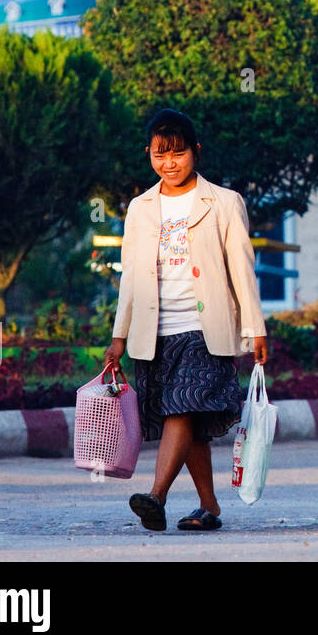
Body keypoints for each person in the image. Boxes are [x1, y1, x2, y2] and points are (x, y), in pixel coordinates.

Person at [104, 109, 268, 532]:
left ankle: (155, 496)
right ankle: (208, 507)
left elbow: (242, 270)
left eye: (178, 153)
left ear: (196, 151)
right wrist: (118, 337)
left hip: (205, 329)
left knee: (182, 407)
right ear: (149, 155)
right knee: (188, 417)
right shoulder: (140, 209)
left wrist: (255, 328)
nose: (169, 163)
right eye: (160, 155)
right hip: (155, 333)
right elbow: (131, 279)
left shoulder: (225, 203)